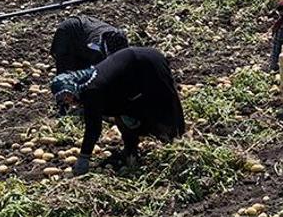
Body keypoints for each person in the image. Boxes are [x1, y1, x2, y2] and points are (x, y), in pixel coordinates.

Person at [50, 47, 185, 176]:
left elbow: (93, 128)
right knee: (126, 115)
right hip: (130, 73)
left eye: (66, 95)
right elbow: (117, 105)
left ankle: (177, 140)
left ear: (71, 87)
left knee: (164, 100)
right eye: (63, 98)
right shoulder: (85, 84)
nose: (67, 101)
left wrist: (84, 156)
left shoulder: (91, 91)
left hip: (147, 62)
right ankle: (131, 150)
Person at [50, 15, 129, 75]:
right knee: (67, 70)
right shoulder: (95, 44)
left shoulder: (121, 44)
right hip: (69, 31)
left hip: (83, 35)